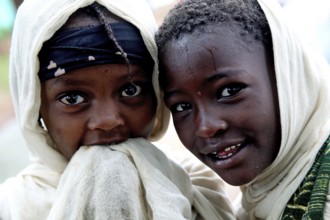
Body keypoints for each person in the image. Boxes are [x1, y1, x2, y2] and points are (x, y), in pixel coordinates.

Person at [0, 0, 235, 219]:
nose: (108, 120)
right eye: (72, 98)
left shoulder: (196, 185)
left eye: (130, 90)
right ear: (35, 105)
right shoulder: (12, 208)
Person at [156, 0, 330, 219]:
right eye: (182, 106)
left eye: (229, 91)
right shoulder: (254, 205)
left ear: (285, 74)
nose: (206, 127)